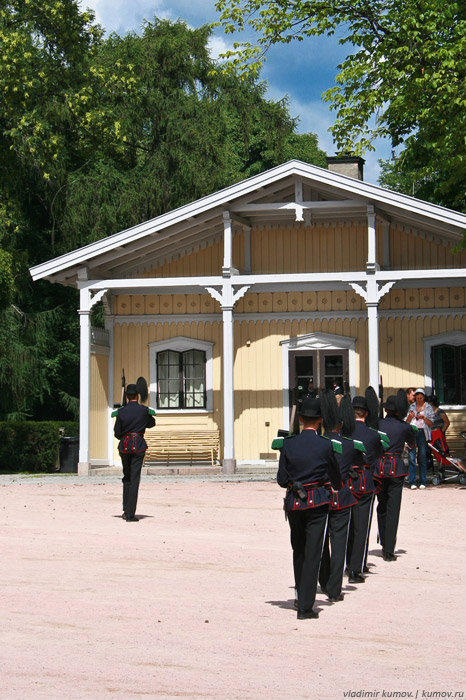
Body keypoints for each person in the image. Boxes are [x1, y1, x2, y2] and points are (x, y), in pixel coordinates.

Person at [277, 396, 342, 620]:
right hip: (317, 501)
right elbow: (335, 478)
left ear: (302, 419)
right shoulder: (325, 445)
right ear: (320, 421)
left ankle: (299, 594)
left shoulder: (288, 444)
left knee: (299, 551)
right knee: (314, 553)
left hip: (295, 501)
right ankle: (306, 605)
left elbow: (281, 479)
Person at [319, 391, 357, 602]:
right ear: (340, 424)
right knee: (339, 542)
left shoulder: (319, 442)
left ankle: (324, 581)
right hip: (341, 495)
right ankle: (334, 587)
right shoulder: (350, 444)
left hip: (322, 496)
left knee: (321, 542)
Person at [346, 394, 384, 581]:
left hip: (346, 481)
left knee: (347, 525)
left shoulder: (344, 433)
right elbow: (377, 459)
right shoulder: (373, 434)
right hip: (364, 480)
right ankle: (356, 567)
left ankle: (347, 563)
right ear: (366, 413)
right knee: (362, 526)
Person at [374, 394, 416, 560]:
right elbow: (412, 445)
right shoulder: (404, 427)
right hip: (396, 467)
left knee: (382, 506)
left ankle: (384, 541)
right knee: (393, 509)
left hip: (379, 467)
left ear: (386, 410)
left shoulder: (377, 424)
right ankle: (389, 548)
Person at [114, 383, 156, 522]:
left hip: (125, 446)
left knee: (127, 478)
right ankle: (130, 514)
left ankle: (126, 509)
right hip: (138, 445)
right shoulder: (143, 410)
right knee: (134, 479)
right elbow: (151, 423)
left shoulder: (121, 412)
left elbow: (117, 433)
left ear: (126, 396)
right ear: (137, 396)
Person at [406, 388, 435, 489]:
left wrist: (424, 418)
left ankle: (423, 481)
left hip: (423, 432)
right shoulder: (412, 406)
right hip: (413, 431)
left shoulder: (428, 408)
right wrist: (410, 417)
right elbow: (406, 421)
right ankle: (412, 482)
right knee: (411, 457)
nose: (419, 400)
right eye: (417, 398)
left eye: (421, 398)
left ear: (424, 397)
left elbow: (431, 423)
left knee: (422, 456)